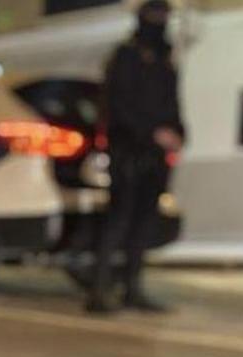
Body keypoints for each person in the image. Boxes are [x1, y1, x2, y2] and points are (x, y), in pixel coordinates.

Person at [87, 0, 185, 314]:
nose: (162, 21)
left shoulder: (166, 60)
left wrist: (179, 134)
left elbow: (173, 105)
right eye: (156, 15)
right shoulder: (126, 56)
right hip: (128, 150)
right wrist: (151, 133)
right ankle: (99, 290)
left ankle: (132, 288)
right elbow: (118, 106)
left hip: (157, 156)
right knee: (119, 219)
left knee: (144, 223)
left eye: (165, 15)